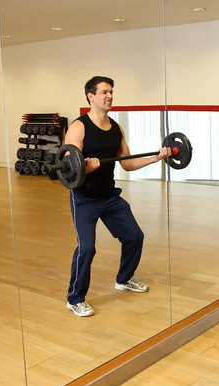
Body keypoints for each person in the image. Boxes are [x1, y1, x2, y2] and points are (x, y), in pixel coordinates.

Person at [64, 76, 171, 317]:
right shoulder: (78, 127)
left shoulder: (116, 128)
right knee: (87, 248)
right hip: (84, 198)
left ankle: (124, 279)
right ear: (91, 96)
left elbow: (128, 163)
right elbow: (70, 169)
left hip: (109, 197)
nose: (109, 96)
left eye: (111, 92)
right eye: (104, 92)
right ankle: (75, 298)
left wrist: (156, 157)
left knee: (134, 236)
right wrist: (86, 168)